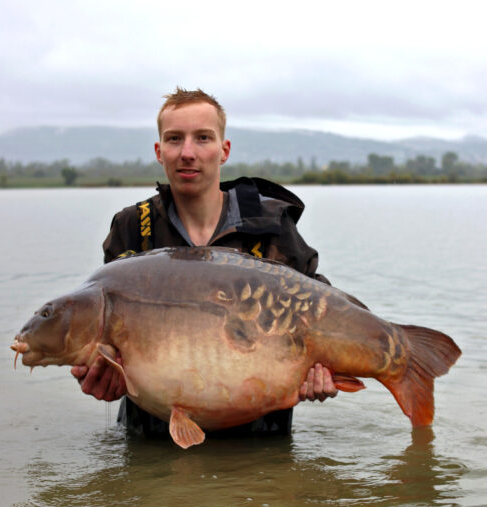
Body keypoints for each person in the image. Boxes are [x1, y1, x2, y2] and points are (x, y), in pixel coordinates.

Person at [71, 88, 337, 438]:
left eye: (203, 138)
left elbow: (321, 309)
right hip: (154, 439)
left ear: (224, 150)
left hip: (258, 439)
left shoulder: (270, 225)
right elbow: (107, 343)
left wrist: (325, 370)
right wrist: (103, 375)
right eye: (174, 139)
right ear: (158, 151)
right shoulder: (133, 228)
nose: (187, 153)